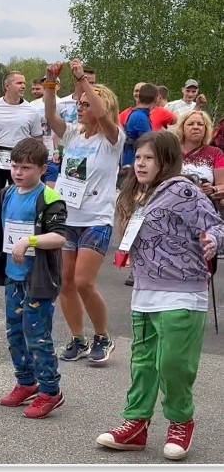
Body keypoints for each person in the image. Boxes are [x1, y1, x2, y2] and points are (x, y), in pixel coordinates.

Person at [97, 131, 224, 460]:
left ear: (166, 161)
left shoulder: (182, 190)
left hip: (183, 292)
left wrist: (212, 239)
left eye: (149, 158)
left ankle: (181, 421)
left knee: (173, 364)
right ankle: (135, 424)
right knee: (143, 363)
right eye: (138, 157)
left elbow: (216, 225)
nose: (140, 163)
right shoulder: (139, 194)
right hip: (144, 292)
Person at [0, 138, 68, 419]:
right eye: (15, 166)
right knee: (15, 332)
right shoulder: (6, 195)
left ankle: (50, 391)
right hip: (13, 277)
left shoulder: (50, 198)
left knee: (37, 335)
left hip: (39, 279)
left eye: (26, 167)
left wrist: (28, 241)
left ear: (43, 169)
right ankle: (26, 382)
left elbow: (59, 237)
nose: (19, 172)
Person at [44, 60, 124, 363]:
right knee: (65, 281)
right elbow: (51, 115)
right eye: (79, 103)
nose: (80, 107)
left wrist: (82, 80)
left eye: (86, 104)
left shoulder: (113, 138)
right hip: (68, 218)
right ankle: (77, 338)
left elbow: (103, 115)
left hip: (96, 218)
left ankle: (102, 335)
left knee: (83, 281)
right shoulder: (74, 134)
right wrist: (51, 83)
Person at [0, 71, 44, 206]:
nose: (23, 86)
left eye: (24, 83)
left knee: (18, 200)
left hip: (20, 163)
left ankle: (13, 226)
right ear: (7, 86)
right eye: (19, 83)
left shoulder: (31, 111)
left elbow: (38, 140)